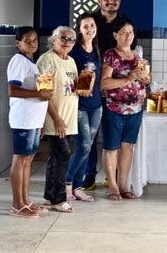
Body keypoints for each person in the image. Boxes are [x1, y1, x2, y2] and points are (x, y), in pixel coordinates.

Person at [82, 0, 135, 190]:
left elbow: (131, 54)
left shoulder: (126, 23)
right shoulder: (90, 22)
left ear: (119, 1)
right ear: (99, 1)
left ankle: (111, 175)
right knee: (90, 132)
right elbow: (83, 53)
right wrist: (87, 85)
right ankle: (89, 174)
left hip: (117, 88)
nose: (111, 2)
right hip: (93, 84)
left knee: (113, 133)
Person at [101, 20, 150, 201]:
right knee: (111, 147)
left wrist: (145, 77)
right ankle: (112, 186)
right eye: (123, 32)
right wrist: (128, 78)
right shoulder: (111, 55)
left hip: (136, 109)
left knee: (128, 147)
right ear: (115, 35)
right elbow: (104, 83)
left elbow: (147, 80)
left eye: (130, 32)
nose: (128, 35)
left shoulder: (137, 55)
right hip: (114, 109)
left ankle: (123, 185)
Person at [7, 26, 52, 218]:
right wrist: (39, 94)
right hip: (23, 119)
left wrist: (40, 122)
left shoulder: (30, 62)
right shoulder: (18, 61)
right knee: (20, 159)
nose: (33, 43)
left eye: (35, 40)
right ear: (18, 43)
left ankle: (25, 201)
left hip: (33, 120)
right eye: (28, 40)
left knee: (28, 161)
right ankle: (17, 204)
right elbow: (13, 90)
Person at [37, 26, 79, 213]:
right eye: (63, 38)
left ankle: (49, 197)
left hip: (68, 118)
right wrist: (57, 119)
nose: (68, 42)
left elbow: (73, 87)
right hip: (55, 118)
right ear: (53, 39)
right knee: (63, 155)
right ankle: (59, 199)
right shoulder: (46, 60)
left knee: (56, 157)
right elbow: (43, 93)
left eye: (71, 40)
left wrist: (87, 83)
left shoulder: (71, 61)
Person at [65, 13, 102, 202]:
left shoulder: (96, 49)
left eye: (92, 26)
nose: (90, 30)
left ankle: (78, 188)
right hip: (79, 105)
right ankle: (68, 184)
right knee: (84, 146)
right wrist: (79, 85)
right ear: (79, 29)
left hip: (96, 105)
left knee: (87, 147)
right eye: (85, 26)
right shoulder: (74, 51)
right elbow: (67, 77)